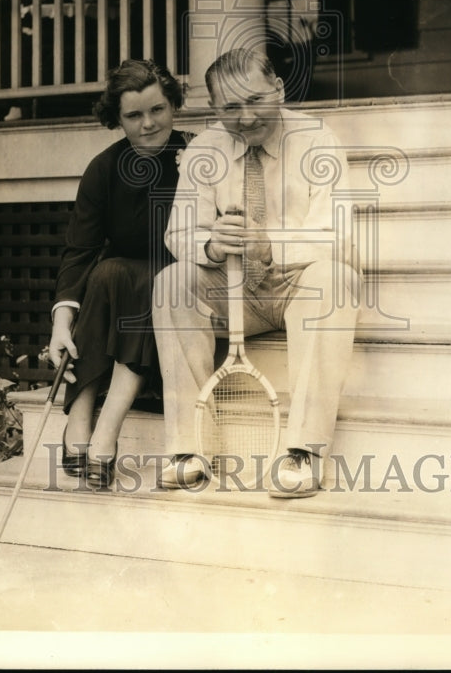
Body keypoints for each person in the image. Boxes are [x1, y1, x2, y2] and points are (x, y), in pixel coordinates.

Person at [151, 47, 361, 498]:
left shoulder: (317, 141)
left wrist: (269, 244)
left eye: (255, 100)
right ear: (214, 109)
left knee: (334, 279)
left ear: (279, 90)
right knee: (171, 282)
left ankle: (303, 451)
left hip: (295, 284)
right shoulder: (206, 149)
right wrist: (210, 244)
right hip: (232, 290)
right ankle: (188, 450)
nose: (245, 117)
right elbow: (177, 235)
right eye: (230, 107)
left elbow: (339, 237)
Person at [48, 59, 190, 490]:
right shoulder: (103, 169)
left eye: (158, 110)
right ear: (117, 119)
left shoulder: (199, 154)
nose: (148, 124)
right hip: (121, 280)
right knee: (107, 272)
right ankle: (80, 414)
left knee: (152, 281)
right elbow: (80, 250)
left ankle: (108, 425)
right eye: (134, 115)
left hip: (182, 277)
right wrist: (60, 323)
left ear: (173, 106)